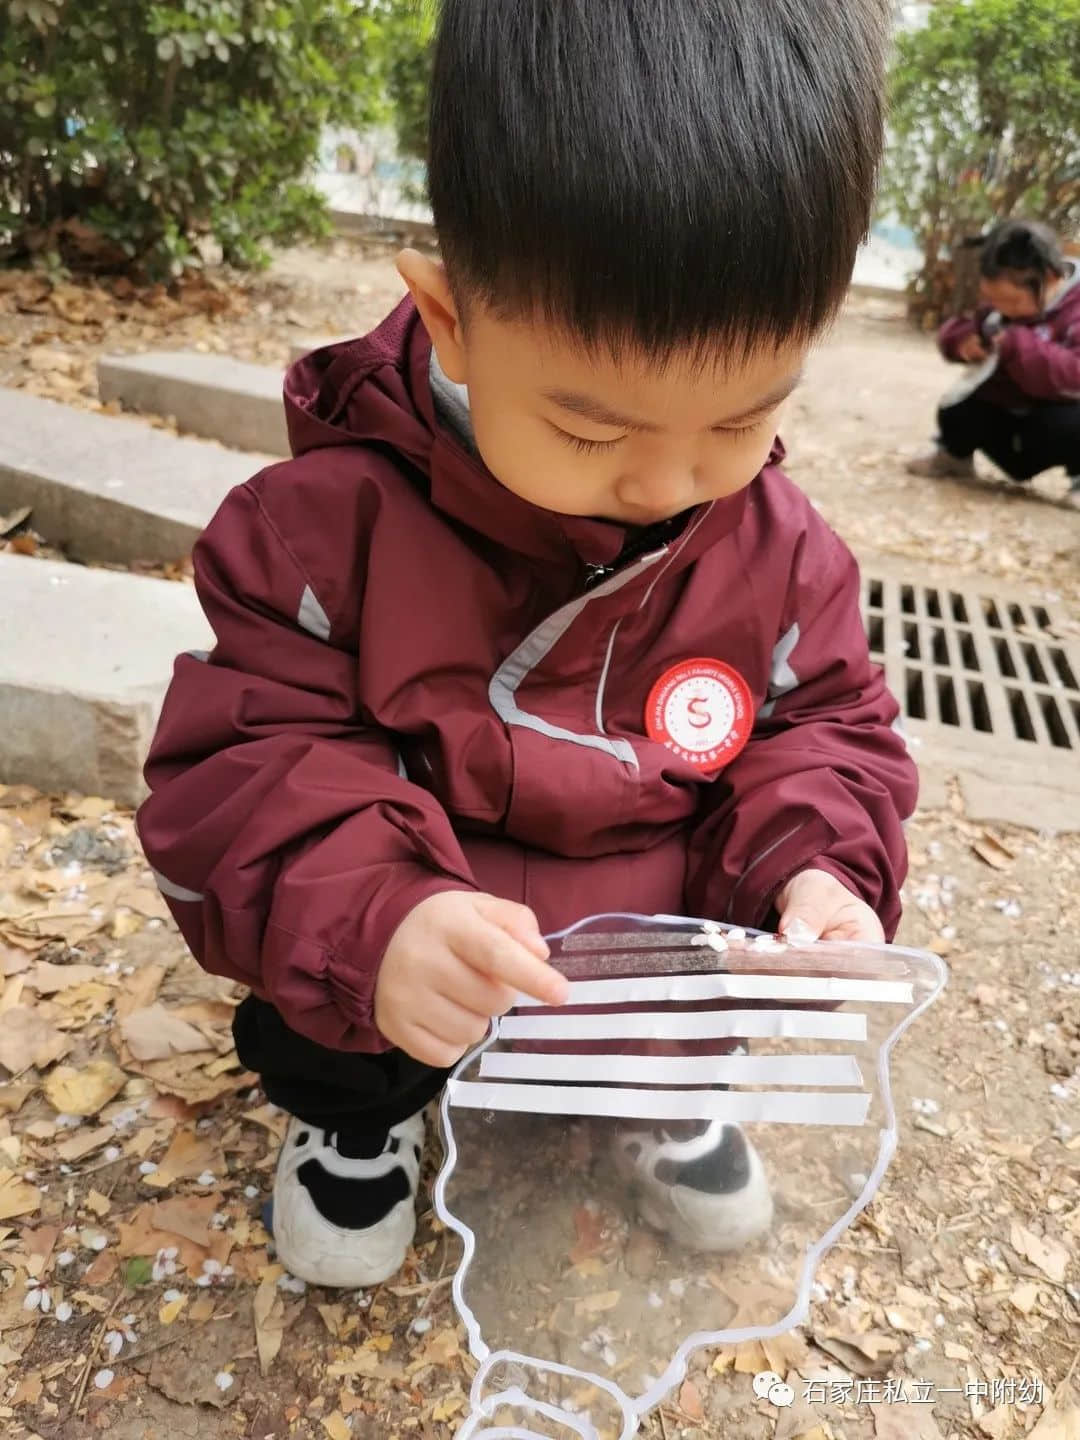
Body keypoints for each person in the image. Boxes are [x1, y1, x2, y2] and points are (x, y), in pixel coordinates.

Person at [137, 0, 915, 1289]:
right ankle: (357, 1111)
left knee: (713, 959)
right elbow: (243, 768)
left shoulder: (780, 554)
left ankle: (659, 1092)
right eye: (593, 434)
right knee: (330, 937)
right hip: (429, 916)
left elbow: (826, 728)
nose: (666, 483)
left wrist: (820, 874)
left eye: (739, 420)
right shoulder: (323, 534)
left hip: (633, 916)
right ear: (449, 320)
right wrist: (383, 921)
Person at [908, 219, 1080, 507]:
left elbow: (1075, 372)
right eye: (992, 299)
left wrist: (1017, 344)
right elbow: (960, 326)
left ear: (1050, 278)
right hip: (1005, 413)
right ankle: (954, 456)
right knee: (956, 407)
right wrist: (963, 342)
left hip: (1053, 418)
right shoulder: (1002, 302)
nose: (1000, 310)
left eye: (1012, 303)